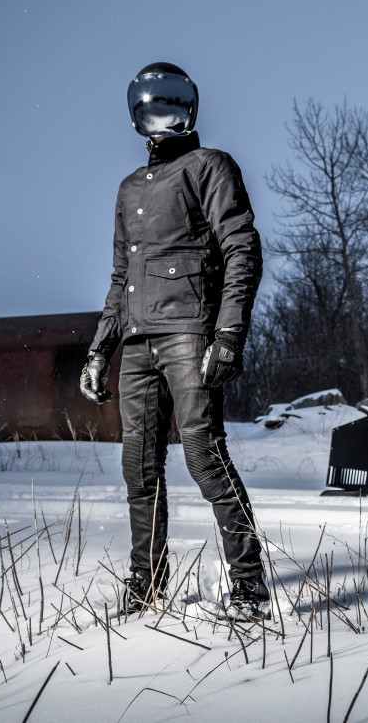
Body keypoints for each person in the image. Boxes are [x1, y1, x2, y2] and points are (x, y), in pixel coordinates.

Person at [79, 62, 269, 621]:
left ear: (188, 111)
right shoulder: (129, 189)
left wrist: (228, 333)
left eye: (169, 109)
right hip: (137, 343)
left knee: (204, 456)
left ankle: (249, 588)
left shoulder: (209, 166)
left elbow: (242, 249)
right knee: (138, 468)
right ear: (137, 119)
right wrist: (100, 349)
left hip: (190, 331)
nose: (160, 122)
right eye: (149, 111)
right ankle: (145, 586)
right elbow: (121, 278)